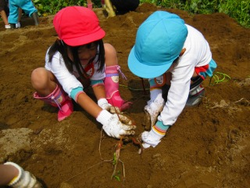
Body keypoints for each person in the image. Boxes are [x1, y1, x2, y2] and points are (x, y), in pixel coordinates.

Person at [31, 6, 135, 139]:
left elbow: (97, 80)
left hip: (84, 79)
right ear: (61, 42)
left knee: (108, 49)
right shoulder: (56, 57)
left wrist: (103, 103)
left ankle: (112, 98)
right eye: (78, 50)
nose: (86, 54)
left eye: (91, 47)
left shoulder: (97, 50)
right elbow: (74, 89)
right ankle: (64, 103)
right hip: (64, 87)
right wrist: (106, 119)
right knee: (39, 77)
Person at [128, 11, 217, 148]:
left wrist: (156, 134)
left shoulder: (186, 58)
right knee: (156, 70)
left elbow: (176, 101)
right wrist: (155, 100)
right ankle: (159, 98)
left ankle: (195, 91)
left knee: (177, 89)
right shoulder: (157, 41)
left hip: (198, 67)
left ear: (179, 54)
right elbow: (153, 71)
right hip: (172, 61)